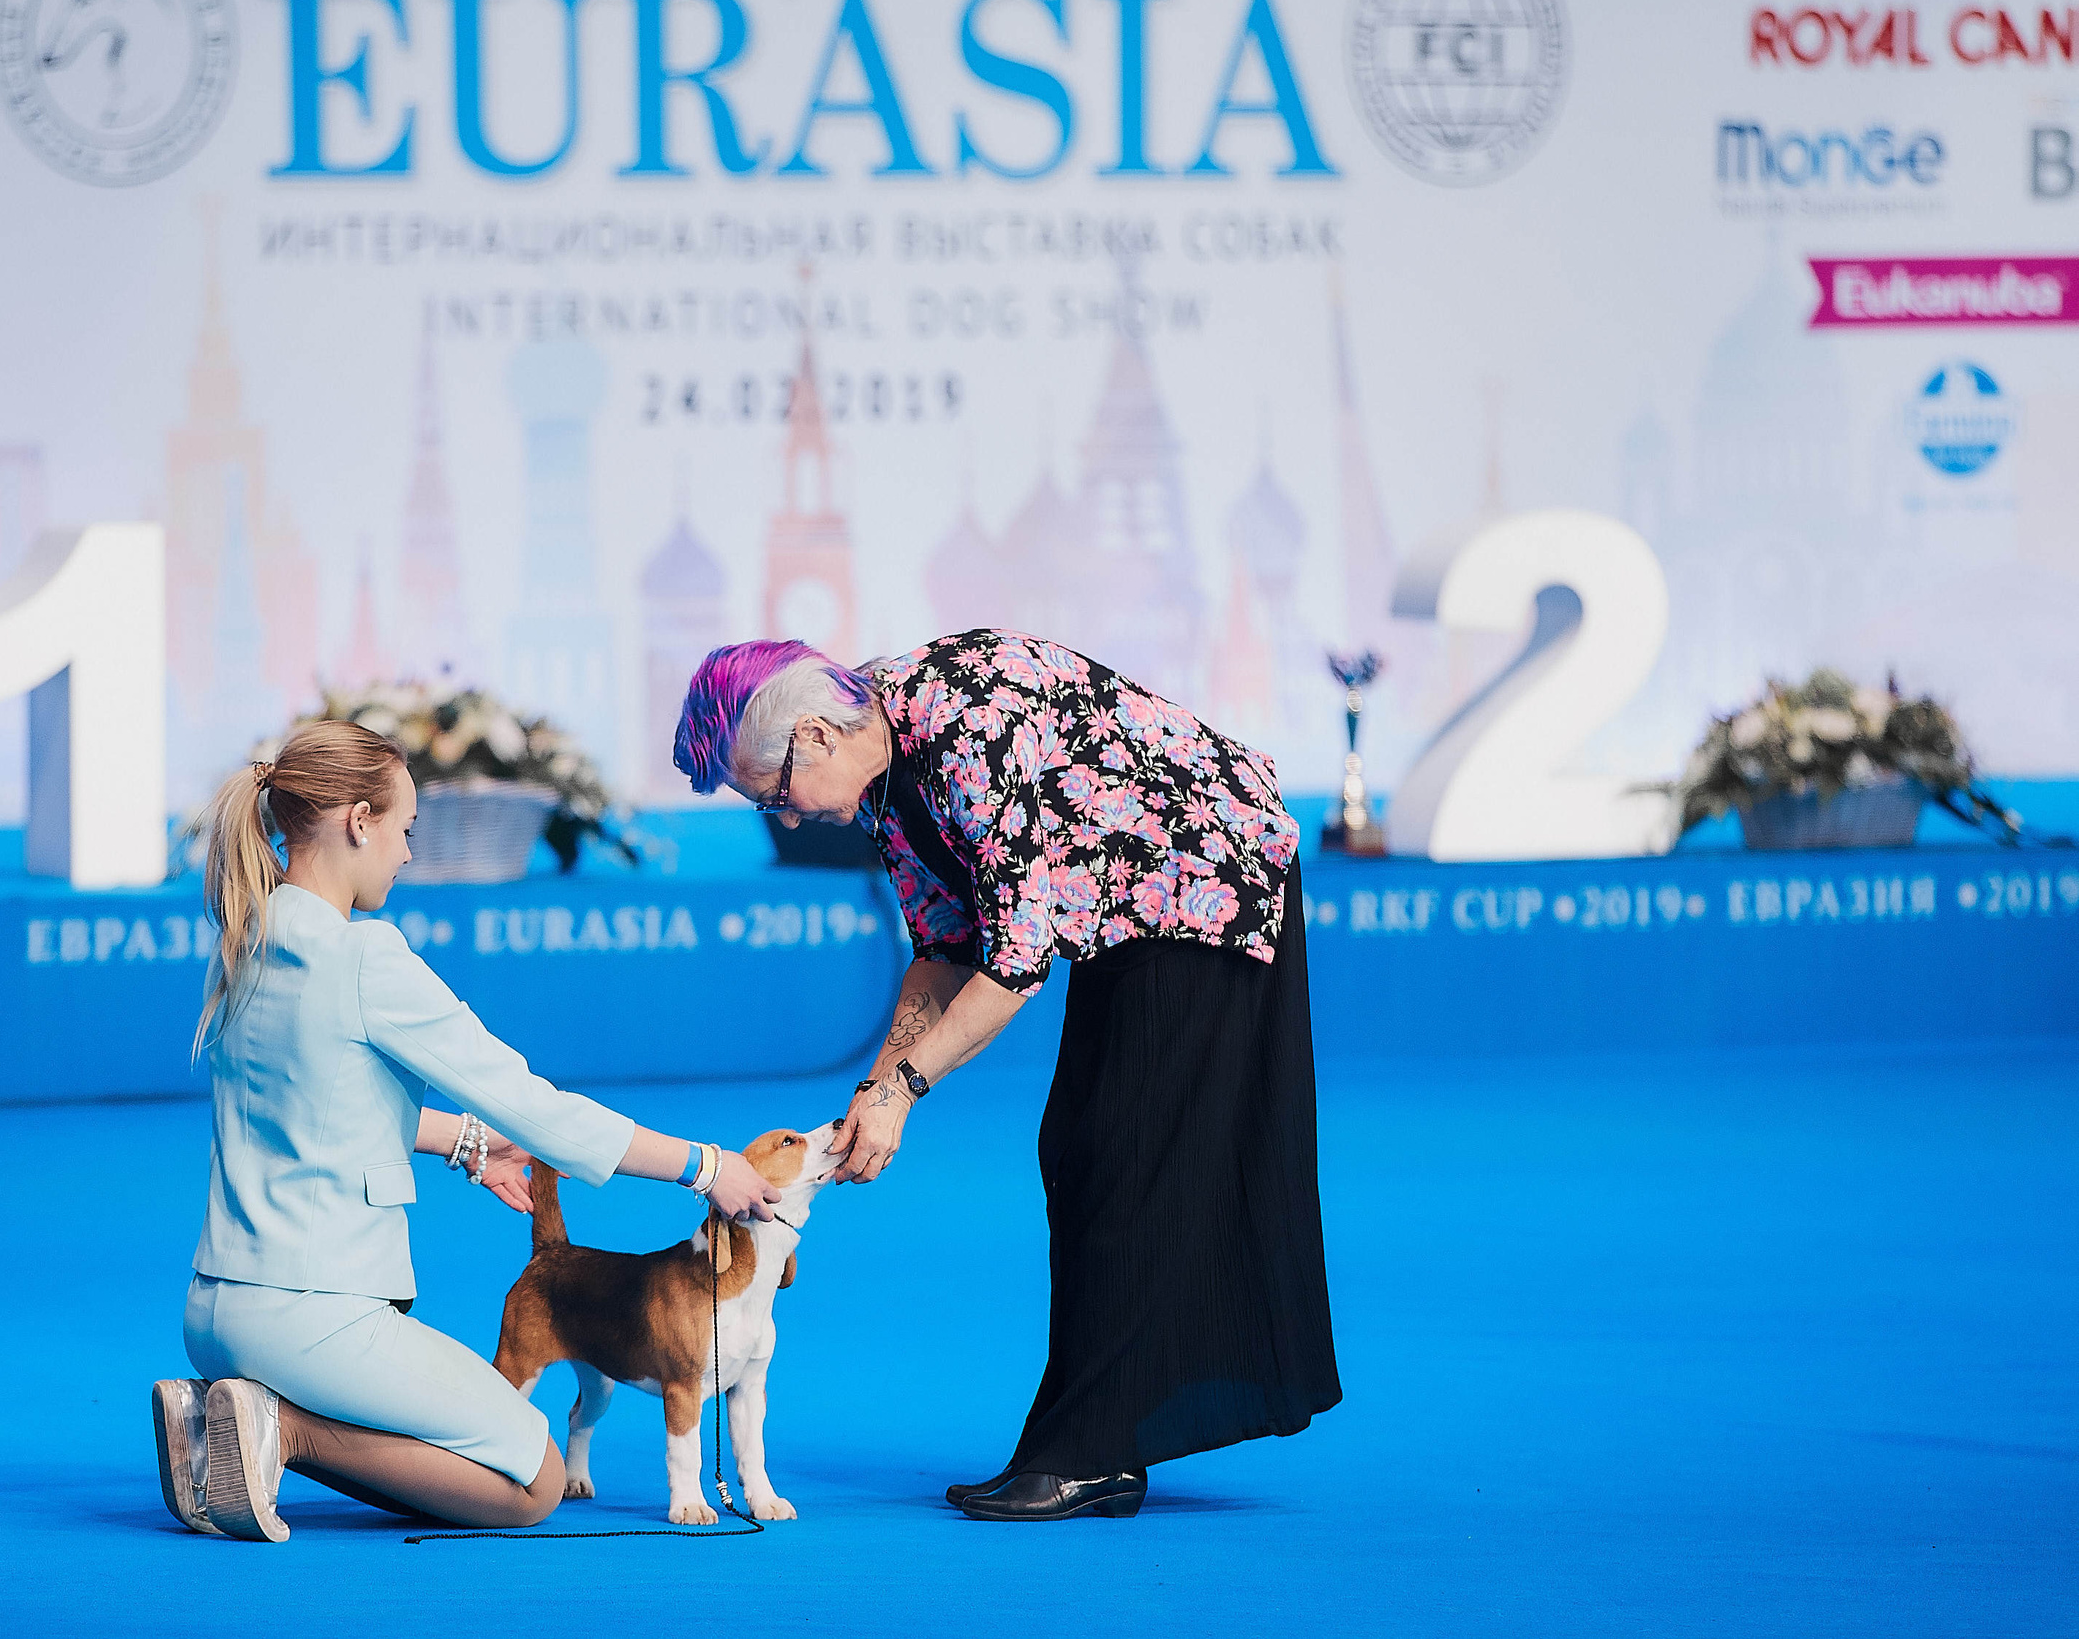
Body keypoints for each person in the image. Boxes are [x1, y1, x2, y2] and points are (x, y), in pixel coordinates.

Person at [673, 630, 1340, 1522]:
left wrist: (903, 1093)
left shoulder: (960, 724)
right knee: (1081, 1149)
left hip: (1203, 881)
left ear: (816, 738)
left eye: (773, 798)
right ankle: (1095, 1443)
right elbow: (946, 945)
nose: (787, 820)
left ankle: (1091, 1452)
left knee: (1116, 1153)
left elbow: (1018, 958)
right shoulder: (880, 779)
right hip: (1125, 906)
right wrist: (870, 1095)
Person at [153, 719, 779, 1541]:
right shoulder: (365, 957)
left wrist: (464, 1143)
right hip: (310, 1323)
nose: (409, 854)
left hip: (211, 1312)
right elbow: (538, 1107)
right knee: (533, 1480)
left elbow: (316, 1104)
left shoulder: (244, 939)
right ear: (358, 822)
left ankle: (216, 1419)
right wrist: (706, 1168)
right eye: (406, 830)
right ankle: (278, 1429)